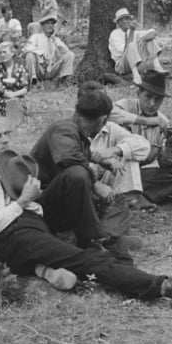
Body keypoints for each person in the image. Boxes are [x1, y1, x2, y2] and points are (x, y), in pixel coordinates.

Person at [0, 112, 172, 307]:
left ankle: (57, 266)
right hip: (17, 237)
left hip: (30, 228)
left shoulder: (3, 166)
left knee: (80, 238)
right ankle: (169, 288)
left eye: (6, 133)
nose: (5, 140)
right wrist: (22, 202)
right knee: (89, 259)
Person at [29, 82, 133, 249]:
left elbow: (78, 153)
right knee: (77, 174)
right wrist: (96, 184)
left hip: (70, 200)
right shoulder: (63, 129)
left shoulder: (76, 132)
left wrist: (99, 159)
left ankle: (106, 237)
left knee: (117, 199)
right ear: (102, 119)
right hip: (46, 204)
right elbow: (67, 159)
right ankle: (91, 239)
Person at [109, 70, 172, 205]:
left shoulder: (162, 121)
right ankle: (140, 195)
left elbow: (165, 165)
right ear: (138, 94)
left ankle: (135, 194)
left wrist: (170, 144)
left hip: (140, 174)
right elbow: (107, 113)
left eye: (157, 99)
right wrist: (146, 121)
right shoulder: (125, 106)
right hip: (115, 168)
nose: (152, 104)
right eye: (148, 97)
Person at [108, 8, 166, 85]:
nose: (129, 21)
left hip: (135, 62)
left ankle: (157, 67)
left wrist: (151, 33)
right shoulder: (115, 34)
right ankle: (136, 77)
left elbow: (150, 32)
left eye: (129, 19)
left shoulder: (132, 32)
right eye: (126, 19)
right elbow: (125, 49)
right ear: (120, 22)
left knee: (150, 40)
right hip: (121, 65)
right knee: (131, 45)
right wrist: (132, 32)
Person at [23, 10, 75, 87]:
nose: (50, 26)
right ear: (42, 26)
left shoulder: (55, 39)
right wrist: (40, 54)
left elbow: (66, 52)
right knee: (29, 55)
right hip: (40, 69)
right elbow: (26, 48)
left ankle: (63, 80)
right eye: (47, 24)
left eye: (52, 24)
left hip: (52, 69)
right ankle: (33, 82)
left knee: (70, 54)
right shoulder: (36, 37)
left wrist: (56, 42)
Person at [0, 39, 30, 115]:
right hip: (1, 98)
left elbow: (26, 88)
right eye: (0, 53)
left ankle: (18, 110)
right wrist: (8, 95)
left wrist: (14, 95)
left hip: (18, 97)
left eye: (4, 52)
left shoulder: (21, 68)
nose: (2, 55)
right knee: (7, 104)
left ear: (12, 53)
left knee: (19, 103)